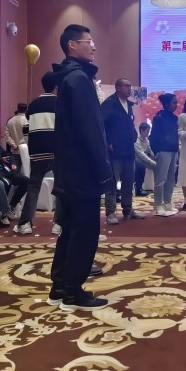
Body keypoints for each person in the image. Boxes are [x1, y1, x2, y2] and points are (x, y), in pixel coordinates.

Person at [47, 23, 113, 310]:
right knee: (84, 231)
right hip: (83, 170)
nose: (94, 46)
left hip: (69, 169)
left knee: (69, 229)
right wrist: (103, 170)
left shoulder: (68, 77)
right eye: (89, 41)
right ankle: (73, 292)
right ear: (72, 45)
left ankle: (60, 288)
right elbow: (91, 131)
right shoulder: (79, 79)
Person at [14, 72, 60, 234]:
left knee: (33, 187)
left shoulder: (33, 105)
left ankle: (25, 223)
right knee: (60, 187)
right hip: (57, 151)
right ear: (56, 86)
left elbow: (26, 130)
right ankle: (58, 224)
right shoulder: (61, 103)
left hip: (37, 152)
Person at [102, 78, 144, 224]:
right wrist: (108, 142)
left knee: (128, 181)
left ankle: (128, 209)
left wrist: (134, 134)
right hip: (114, 150)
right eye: (126, 86)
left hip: (128, 149)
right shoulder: (109, 104)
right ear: (118, 87)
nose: (129, 88)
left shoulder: (129, 104)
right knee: (112, 182)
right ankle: (111, 213)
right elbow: (101, 125)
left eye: (130, 86)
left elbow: (129, 123)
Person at [150, 93, 180, 217]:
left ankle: (167, 202)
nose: (176, 105)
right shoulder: (159, 117)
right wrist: (156, 151)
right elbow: (153, 136)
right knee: (160, 179)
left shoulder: (175, 118)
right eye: (174, 102)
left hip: (173, 150)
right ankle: (158, 205)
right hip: (162, 150)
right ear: (167, 104)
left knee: (171, 179)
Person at [134, 123, 156, 196]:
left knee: (158, 165)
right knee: (141, 167)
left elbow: (150, 151)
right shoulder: (136, 140)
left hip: (145, 157)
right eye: (147, 131)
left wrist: (155, 158)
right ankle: (139, 188)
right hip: (138, 159)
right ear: (141, 130)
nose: (148, 133)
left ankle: (156, 185)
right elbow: (141, 154)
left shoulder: (146, 139)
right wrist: (151, 162)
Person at [4, 103, 29, 168]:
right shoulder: (27, 120)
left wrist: (13, 144)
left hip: (14, 150)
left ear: (17, 109)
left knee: (15, 171)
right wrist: (20, 144)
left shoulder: (10, 121)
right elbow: (27, 135)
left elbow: (6, 135)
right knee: (27, 171)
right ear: (27, 109)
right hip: (26, 150)